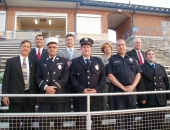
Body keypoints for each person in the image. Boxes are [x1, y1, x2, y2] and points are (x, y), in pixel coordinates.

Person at [106, 39, 144, 129]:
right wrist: (123, 87)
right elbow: (110, 75)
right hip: (118, 91)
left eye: (123, 45)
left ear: (126, 46)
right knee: (120, 116)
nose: (121, 47)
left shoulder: (132, 59)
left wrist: (132, 87)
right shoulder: (112, 59)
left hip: (132, 91)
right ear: (116, 47)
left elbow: (138, 73)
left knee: (131, 115)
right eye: (119, 45)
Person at [70, 37, 106, 129]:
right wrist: (82, 89)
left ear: (91, 49)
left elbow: (103, 76)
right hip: (80, 98)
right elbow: (72, 78)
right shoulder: (74, 62)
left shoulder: (98, 61)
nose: (86, 49)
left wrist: (97, 89)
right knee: (80, 123)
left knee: (97, 122)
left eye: (88, 47)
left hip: (96, 98)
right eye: (84, 47)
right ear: (80, 49)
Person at [2, 40, 38, 130]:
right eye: (24, 46)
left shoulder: (34, 63)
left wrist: (36, 95)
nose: (26, 48)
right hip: (15, 96)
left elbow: (35, 80)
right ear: (20, 48)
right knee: (14, 123)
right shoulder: (11, 61)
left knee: (28, 124)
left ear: (30, 49)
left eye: (28, 47)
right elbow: (6, 79)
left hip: (29, 97)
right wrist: (5, 95)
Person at [35, 37, 69, 130]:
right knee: (44, 123)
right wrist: (46, 88)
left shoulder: (64, 61)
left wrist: (53, 88)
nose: (52, 49)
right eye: (50, 47)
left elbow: (65, 77)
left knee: (58, 124)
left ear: (57, 48)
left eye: (54, 47)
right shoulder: (41, 61)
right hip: (44, 96)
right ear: (47, 48)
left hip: (58, 96)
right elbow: (37, 77)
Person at [139, 49, 170, 129]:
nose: (151, 55)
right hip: (149, 98)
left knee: (159, 121)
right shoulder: (142, 67)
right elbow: (140, 83)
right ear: (145, 57)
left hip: (161, 97)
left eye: (152, 54)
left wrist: (168, 95)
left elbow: (166, 82)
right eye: (149, 54)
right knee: (148, 122)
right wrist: (142, 97)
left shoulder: (161, 67)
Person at [57, 33, 81, 112]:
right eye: (68, 40)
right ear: (65, 41)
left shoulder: (79, 53)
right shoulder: (60, 53)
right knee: (66, 100)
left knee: (77, 100)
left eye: (71, 40)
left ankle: (77, 116)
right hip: (65, 80)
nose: (69, 41)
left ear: (74, 41)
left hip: (77, 79)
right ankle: (66, 117)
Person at [126, 38, 146, 108]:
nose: (138, 44)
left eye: (139, 42)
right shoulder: (129, 53)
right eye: (136, 42)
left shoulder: (143, 53)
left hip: (144, 76)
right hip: (134, 76)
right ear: (133, 44)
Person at [100, 42, 113, 110]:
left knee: (112, 98)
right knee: (104, 99)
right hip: (105, 81)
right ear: (103, 50)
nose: (107, 49)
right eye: (105, 48)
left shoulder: (115, 57)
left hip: (114, 81)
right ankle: (104, 115)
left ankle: (112, 115)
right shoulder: (100, 58)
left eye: (108, 47)